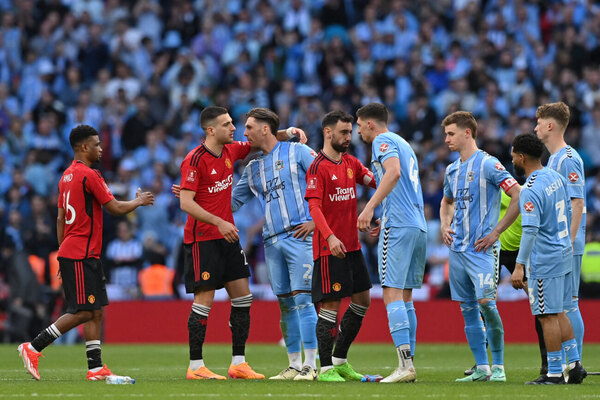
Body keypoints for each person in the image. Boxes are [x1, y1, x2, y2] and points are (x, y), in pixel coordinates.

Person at [18, 125, 155, 381]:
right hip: (81, 252)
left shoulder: (66, 177)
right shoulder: (89, 174)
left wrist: (62, 251)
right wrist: (138, 202)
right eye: (96, 144)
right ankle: (33, 346)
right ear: (83, 147)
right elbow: (113, 206)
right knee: (82, 310)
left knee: (97, 310)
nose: (101, 149)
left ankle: (95, 369)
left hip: (78, 251)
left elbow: (60, 219)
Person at [178, 106, 305, 380]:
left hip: (228, 238)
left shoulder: (230, 151)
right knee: (204, 301)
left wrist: (291, 132)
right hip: (204, 238)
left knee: (243, 298)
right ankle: (196, 366)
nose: (234, 128)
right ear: (211, 130)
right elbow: (185, 202)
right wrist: (220, 222)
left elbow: (263, 138)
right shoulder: (194, 159)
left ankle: (238, 363)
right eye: (227, 125)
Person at [230, 108, 318, 381]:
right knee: (285, 304)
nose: (245, 133)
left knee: (303, 300)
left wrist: (316, 222)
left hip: (300, 235)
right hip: (271, 241)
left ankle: (311, 365)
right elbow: (231, 201)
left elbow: (324, 180)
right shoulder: (253, 167)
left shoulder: (298, 151)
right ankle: (293, 365)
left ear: (265, 128)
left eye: (249, 127)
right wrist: (196, 198)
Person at [439, 111, 520, 382]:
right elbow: (446, 201)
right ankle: (482, 368)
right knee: (468, 309)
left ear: (467, 133)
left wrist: (497, 232)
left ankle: (499, 367)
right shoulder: (452, 169)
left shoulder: (488, 164)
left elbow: (518, 194)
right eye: (446, 134)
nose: (446, 139)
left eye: (451, 133)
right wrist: (444, 224)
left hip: (482, 250)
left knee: (487, 303)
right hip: (458, 251)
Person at [355, 102, 426, 383]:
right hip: (415, 225)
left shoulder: (382, 141)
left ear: (370, 124)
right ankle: (409, 364)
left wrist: (371, 207)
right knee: (406, 297)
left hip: (400, 226)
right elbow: (407, 184)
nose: (358, 131)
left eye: (359, 126)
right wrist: (387, 215)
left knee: (391, 293)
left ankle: (405, 365)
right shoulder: (403, 142)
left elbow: (393, 173)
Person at [304, 110, 376, 382]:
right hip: (329, 248)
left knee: (362, 300)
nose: (349, 136)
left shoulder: (351, 163)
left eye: (350, 131)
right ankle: (324, 369)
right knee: (330, 305)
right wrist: (330, 236)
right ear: (328, 133)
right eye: (344, 132)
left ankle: (340, 359)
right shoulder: (318, 166)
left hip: (353, 247)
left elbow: (374, 181)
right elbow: (314, 206)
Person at [510, 133, 586, 384]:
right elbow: (568, 209)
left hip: (545, 259)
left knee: (546, 315)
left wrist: (519, 265)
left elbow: (530, 230)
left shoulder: (529, 190)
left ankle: (554, 372)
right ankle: (574, 364)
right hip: (564, 252)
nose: (512, 159)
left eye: (513, 155)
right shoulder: (557, 178)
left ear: (521, 157)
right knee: (560, 311)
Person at [534, 102, 585, 362]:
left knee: (569, 303)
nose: (536, 127)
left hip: (566, 243)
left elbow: (577, 202)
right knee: (562, 305)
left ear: (550, 126)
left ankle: (575, 363)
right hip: (557, 243)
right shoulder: (553, 159)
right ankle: (570, 361)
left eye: (539, 123)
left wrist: (568, 240)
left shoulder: (567, 159)